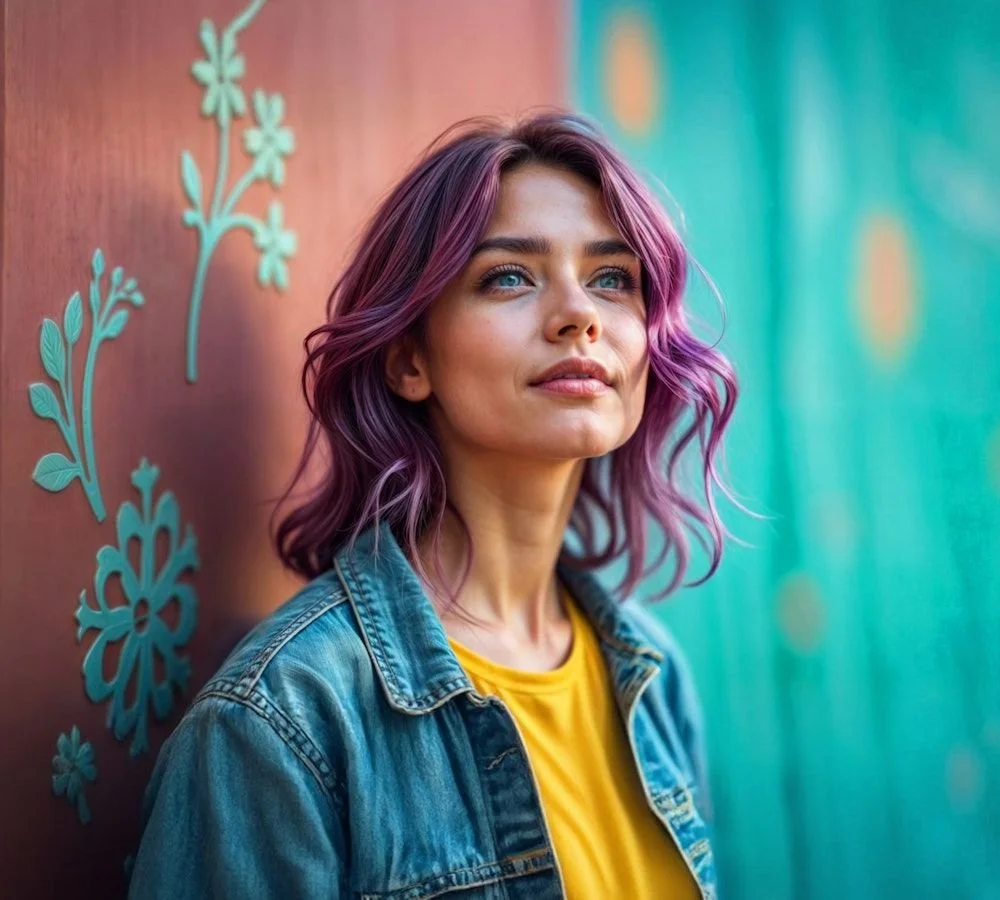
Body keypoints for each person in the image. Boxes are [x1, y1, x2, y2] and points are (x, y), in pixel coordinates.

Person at [129, 111, 737, 899]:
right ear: (408, 358)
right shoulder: (284, 719)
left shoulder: (653, 673)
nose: (579, 314)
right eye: (509, 277)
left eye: (612, 279)